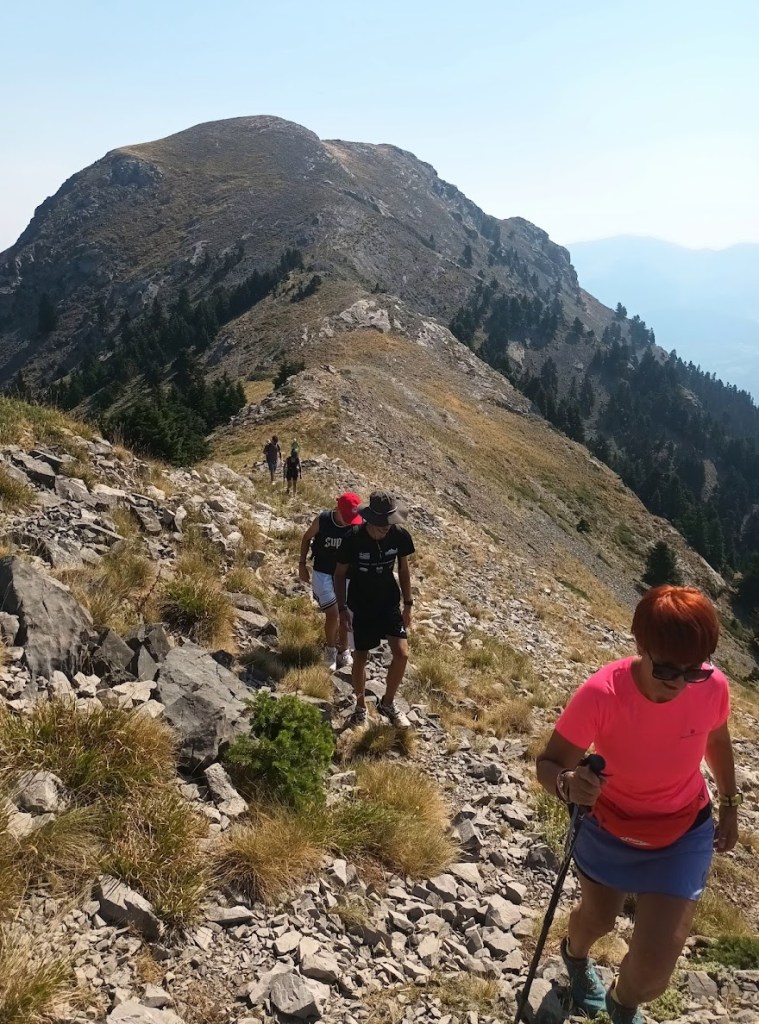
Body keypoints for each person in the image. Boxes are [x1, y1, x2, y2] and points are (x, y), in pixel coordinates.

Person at [535, 585, 740, 1024]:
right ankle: (575, 955)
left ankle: (623, 1002)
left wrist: (729, 804)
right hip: (608, 825)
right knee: (598, 920)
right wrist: (568, 785)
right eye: (666, 669)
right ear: (640, 645)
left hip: (682, 830)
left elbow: (716, 739)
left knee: (651, 974)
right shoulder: (602, 694)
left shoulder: (713, 686)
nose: (680, 683)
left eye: (694, 671)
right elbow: (548, 765)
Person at [333, 491, 415, 730]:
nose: (386, 529)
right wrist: (342, 608)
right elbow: (339, 574)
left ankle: (387, 703)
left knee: (402, 654)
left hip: (389, 601)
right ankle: (360, 707)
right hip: (361, 603)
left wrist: (408, 604)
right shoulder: (352, 538)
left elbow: (404, 569)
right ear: (369, 520)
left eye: (389, 523)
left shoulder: (399, 535)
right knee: (360, 656)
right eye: (381, 525)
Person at [299, 492, 363, 672]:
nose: (349, 522)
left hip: (347, 575)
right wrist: (302, 564)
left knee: (346, 614)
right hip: (323, 572)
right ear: (337, 509)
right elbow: (306, 537)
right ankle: (330, 649)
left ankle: (344, 649)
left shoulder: (357, 525)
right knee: (333, 613)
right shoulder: (323, 520)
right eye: (346, 517)